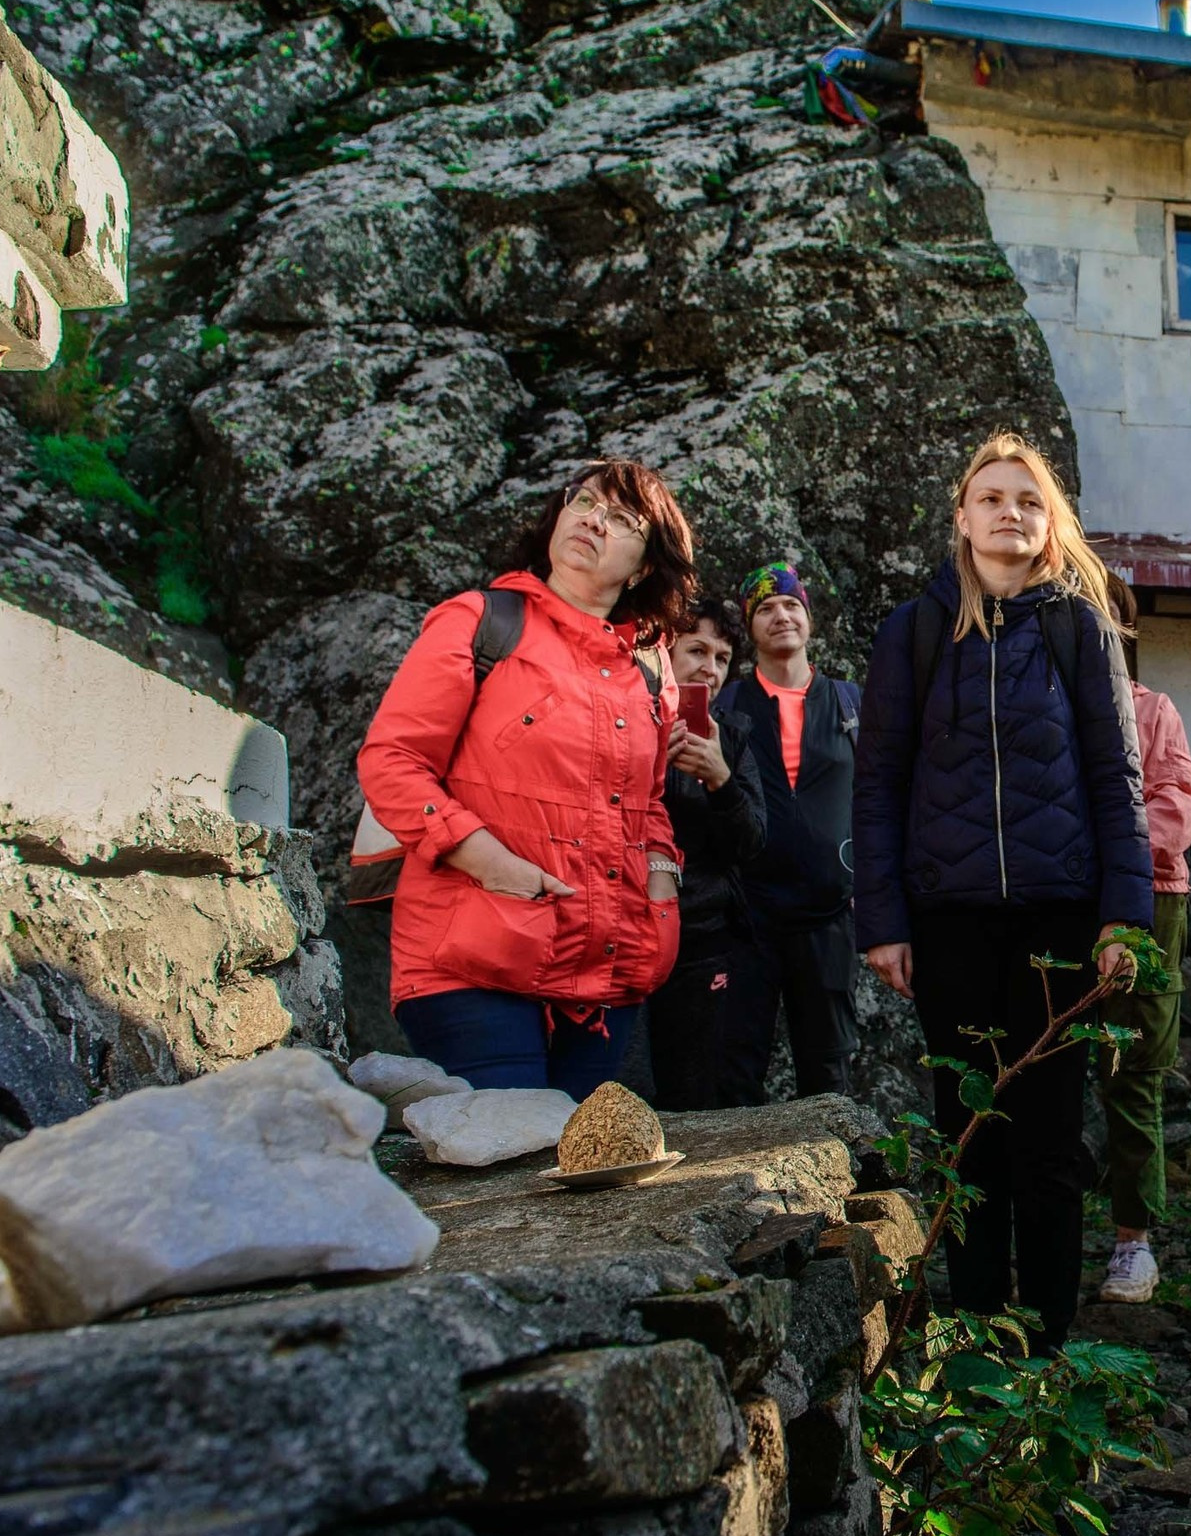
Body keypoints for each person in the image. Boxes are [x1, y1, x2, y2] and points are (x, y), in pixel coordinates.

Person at [853, 432, 1153, 1352]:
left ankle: (1051, 1335)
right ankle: (981, 1330)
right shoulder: (913, 629)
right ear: (963, 517)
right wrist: (885, 919)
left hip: (1059, 916)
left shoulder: (1078, 625)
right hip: (949, 919)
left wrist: (1123, 917)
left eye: (1028, 499)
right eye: (992, 498)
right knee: (968, 1128)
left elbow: (1117, 774)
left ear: (1049, 521)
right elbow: (880, 781)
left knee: (1052, 1138)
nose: (1010, 513)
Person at [357, 461, 692, 1098]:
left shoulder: (648, 672)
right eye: (585, 501)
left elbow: (648, 803)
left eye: (622, 519)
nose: (593, 518)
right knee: (507, 1168)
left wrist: (660, 888)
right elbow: (392, 761)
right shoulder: (481, 621)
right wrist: (488, 862)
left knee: (579, 1174)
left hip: (605, 973)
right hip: (471, 958)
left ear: (645, 566)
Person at [1094, 576, 1191, 1307]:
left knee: (1131, 1072)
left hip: (1146, 898)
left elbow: (1177, 806)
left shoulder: (1151, 710)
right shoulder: (1034, 712)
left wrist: (1112, 867)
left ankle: (1134, 1241)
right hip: (1052, 904)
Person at [714, 563, 861, 1106]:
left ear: (809, 618)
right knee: (735, 1067)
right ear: (750, 628)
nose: (781, 616)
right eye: (766, 609)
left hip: (828, 916)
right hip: (746, 919)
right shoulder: (726, 707)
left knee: (829, 1075)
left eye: (791, 605)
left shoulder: (852, 704)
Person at [636, 598, 767, 1111]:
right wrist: (651, 764)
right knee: (625, 1089)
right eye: (696, 650)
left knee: (695, 1090)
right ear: (665, 650)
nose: (709, 669)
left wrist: (721, 779)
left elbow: (753, 841)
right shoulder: (628, 719)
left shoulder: (730, 737)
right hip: (628, 930)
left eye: (721, 657)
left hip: (703, 938)